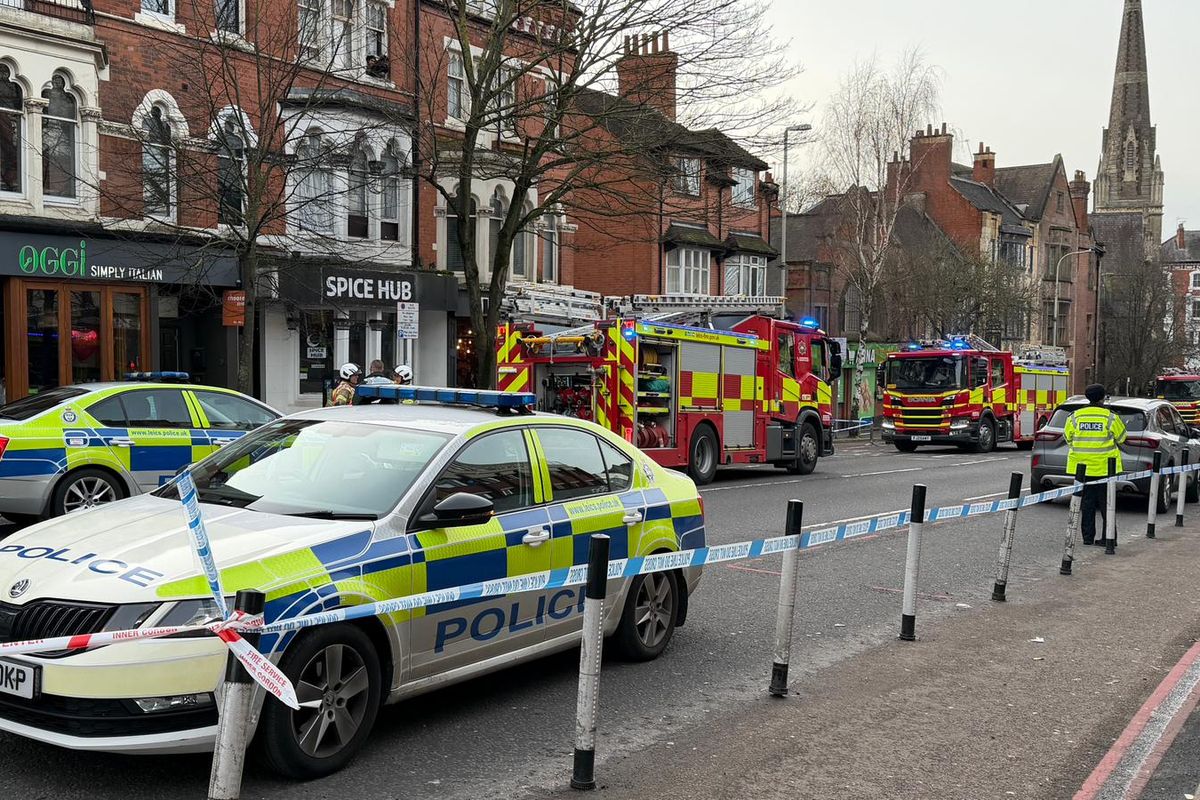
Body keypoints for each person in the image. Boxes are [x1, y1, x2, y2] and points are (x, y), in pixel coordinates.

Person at [1065, 383, 1127, 546]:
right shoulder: (1110, 417)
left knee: (1087, 504)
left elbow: (1068, 438)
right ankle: (1109, 538)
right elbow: (1121, 438)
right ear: (1102, 398)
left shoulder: (1075, 416)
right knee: (1108, 504)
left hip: (1082, 468)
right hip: (1106, 468)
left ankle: (1087, 537)